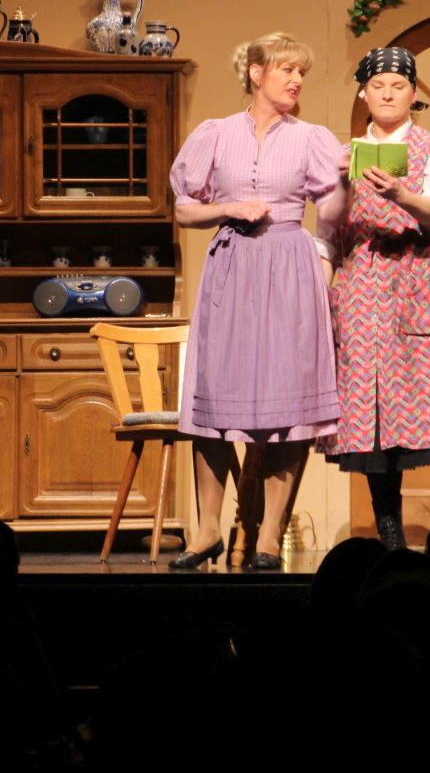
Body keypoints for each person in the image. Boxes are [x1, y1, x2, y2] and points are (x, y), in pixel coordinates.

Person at [168, 32, 344, 570]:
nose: (295, 80)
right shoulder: (216, 133)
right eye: (286, 69)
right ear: (255, 73)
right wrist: (228, 208)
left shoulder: (311, 138)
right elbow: (184, 208)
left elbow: (333, 213)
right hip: (232, 267)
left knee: (288, 407)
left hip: (288, 266)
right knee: (214, 403)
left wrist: (346, 184)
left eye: (301, 72)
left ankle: (268, 536)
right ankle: (206, 531)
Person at [318, 47, 430, 549]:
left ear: (414, 94)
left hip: (423, 291)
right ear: (363, 94)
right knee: (376, 433)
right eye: (378, 86)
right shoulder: (344, 155)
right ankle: (391, 547)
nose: (388, 94)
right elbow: (328, 233)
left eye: (398, 86)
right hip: (363, 300)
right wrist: (318, 292)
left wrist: (400, 194)